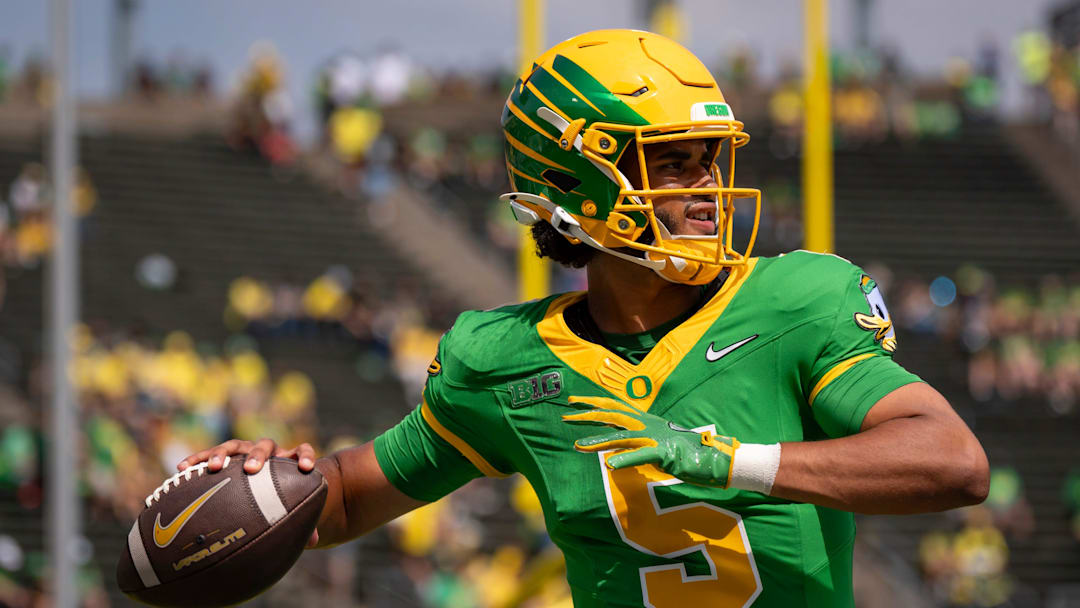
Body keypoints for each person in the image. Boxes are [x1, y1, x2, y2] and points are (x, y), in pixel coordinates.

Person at [179, 29, 988, 607]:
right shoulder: (504, 359)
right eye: (671, 162)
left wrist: (730, 462)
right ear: (575, 182)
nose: (706, 187)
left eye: (708, 159)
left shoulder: (795, 302)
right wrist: (269, 483)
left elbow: (953, 462)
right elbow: (348, 500)